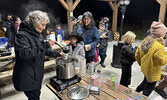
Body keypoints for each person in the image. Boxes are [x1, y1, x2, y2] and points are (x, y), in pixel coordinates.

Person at [13, 10, 62, 100]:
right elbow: (24, 54)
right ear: (34, 23)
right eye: (42, 25)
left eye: (45, 25)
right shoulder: (22, 35)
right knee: (34, 97)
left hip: (37, 74)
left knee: (36, 95)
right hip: (28, 76)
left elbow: (42, 50)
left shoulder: (37, 34)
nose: (44, 28)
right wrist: (45, 45)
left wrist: (58, 53)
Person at [135, 21, 167, 96]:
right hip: (152, 73)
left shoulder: (145, 41)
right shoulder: (159, 47)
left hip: (145, 69)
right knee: (148, 90)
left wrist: (142, 64)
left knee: (144, 83)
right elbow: (162, 62)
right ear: (162, 34)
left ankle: (135, 92)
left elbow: (137, 55)